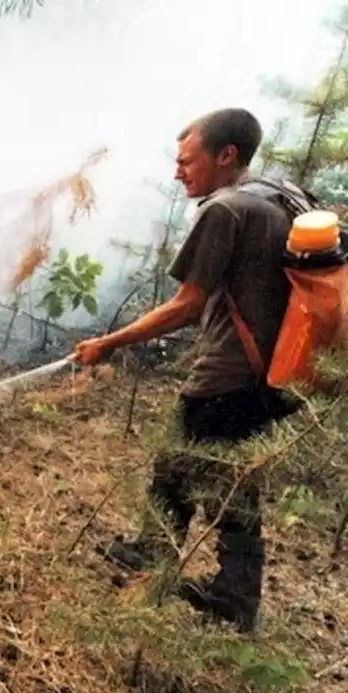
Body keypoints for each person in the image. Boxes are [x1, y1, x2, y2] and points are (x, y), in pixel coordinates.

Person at [72, 107, 297, 633]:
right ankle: (229, 588)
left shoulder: (226, 209)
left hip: (232, 371)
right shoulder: (277, 198)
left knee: (181, 457)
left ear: (226, 156)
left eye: (186, 161)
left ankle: (163, 561)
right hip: (280, 372)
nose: (178, 172)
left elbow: (187, 305)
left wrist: (110, 342)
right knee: (224, 473)